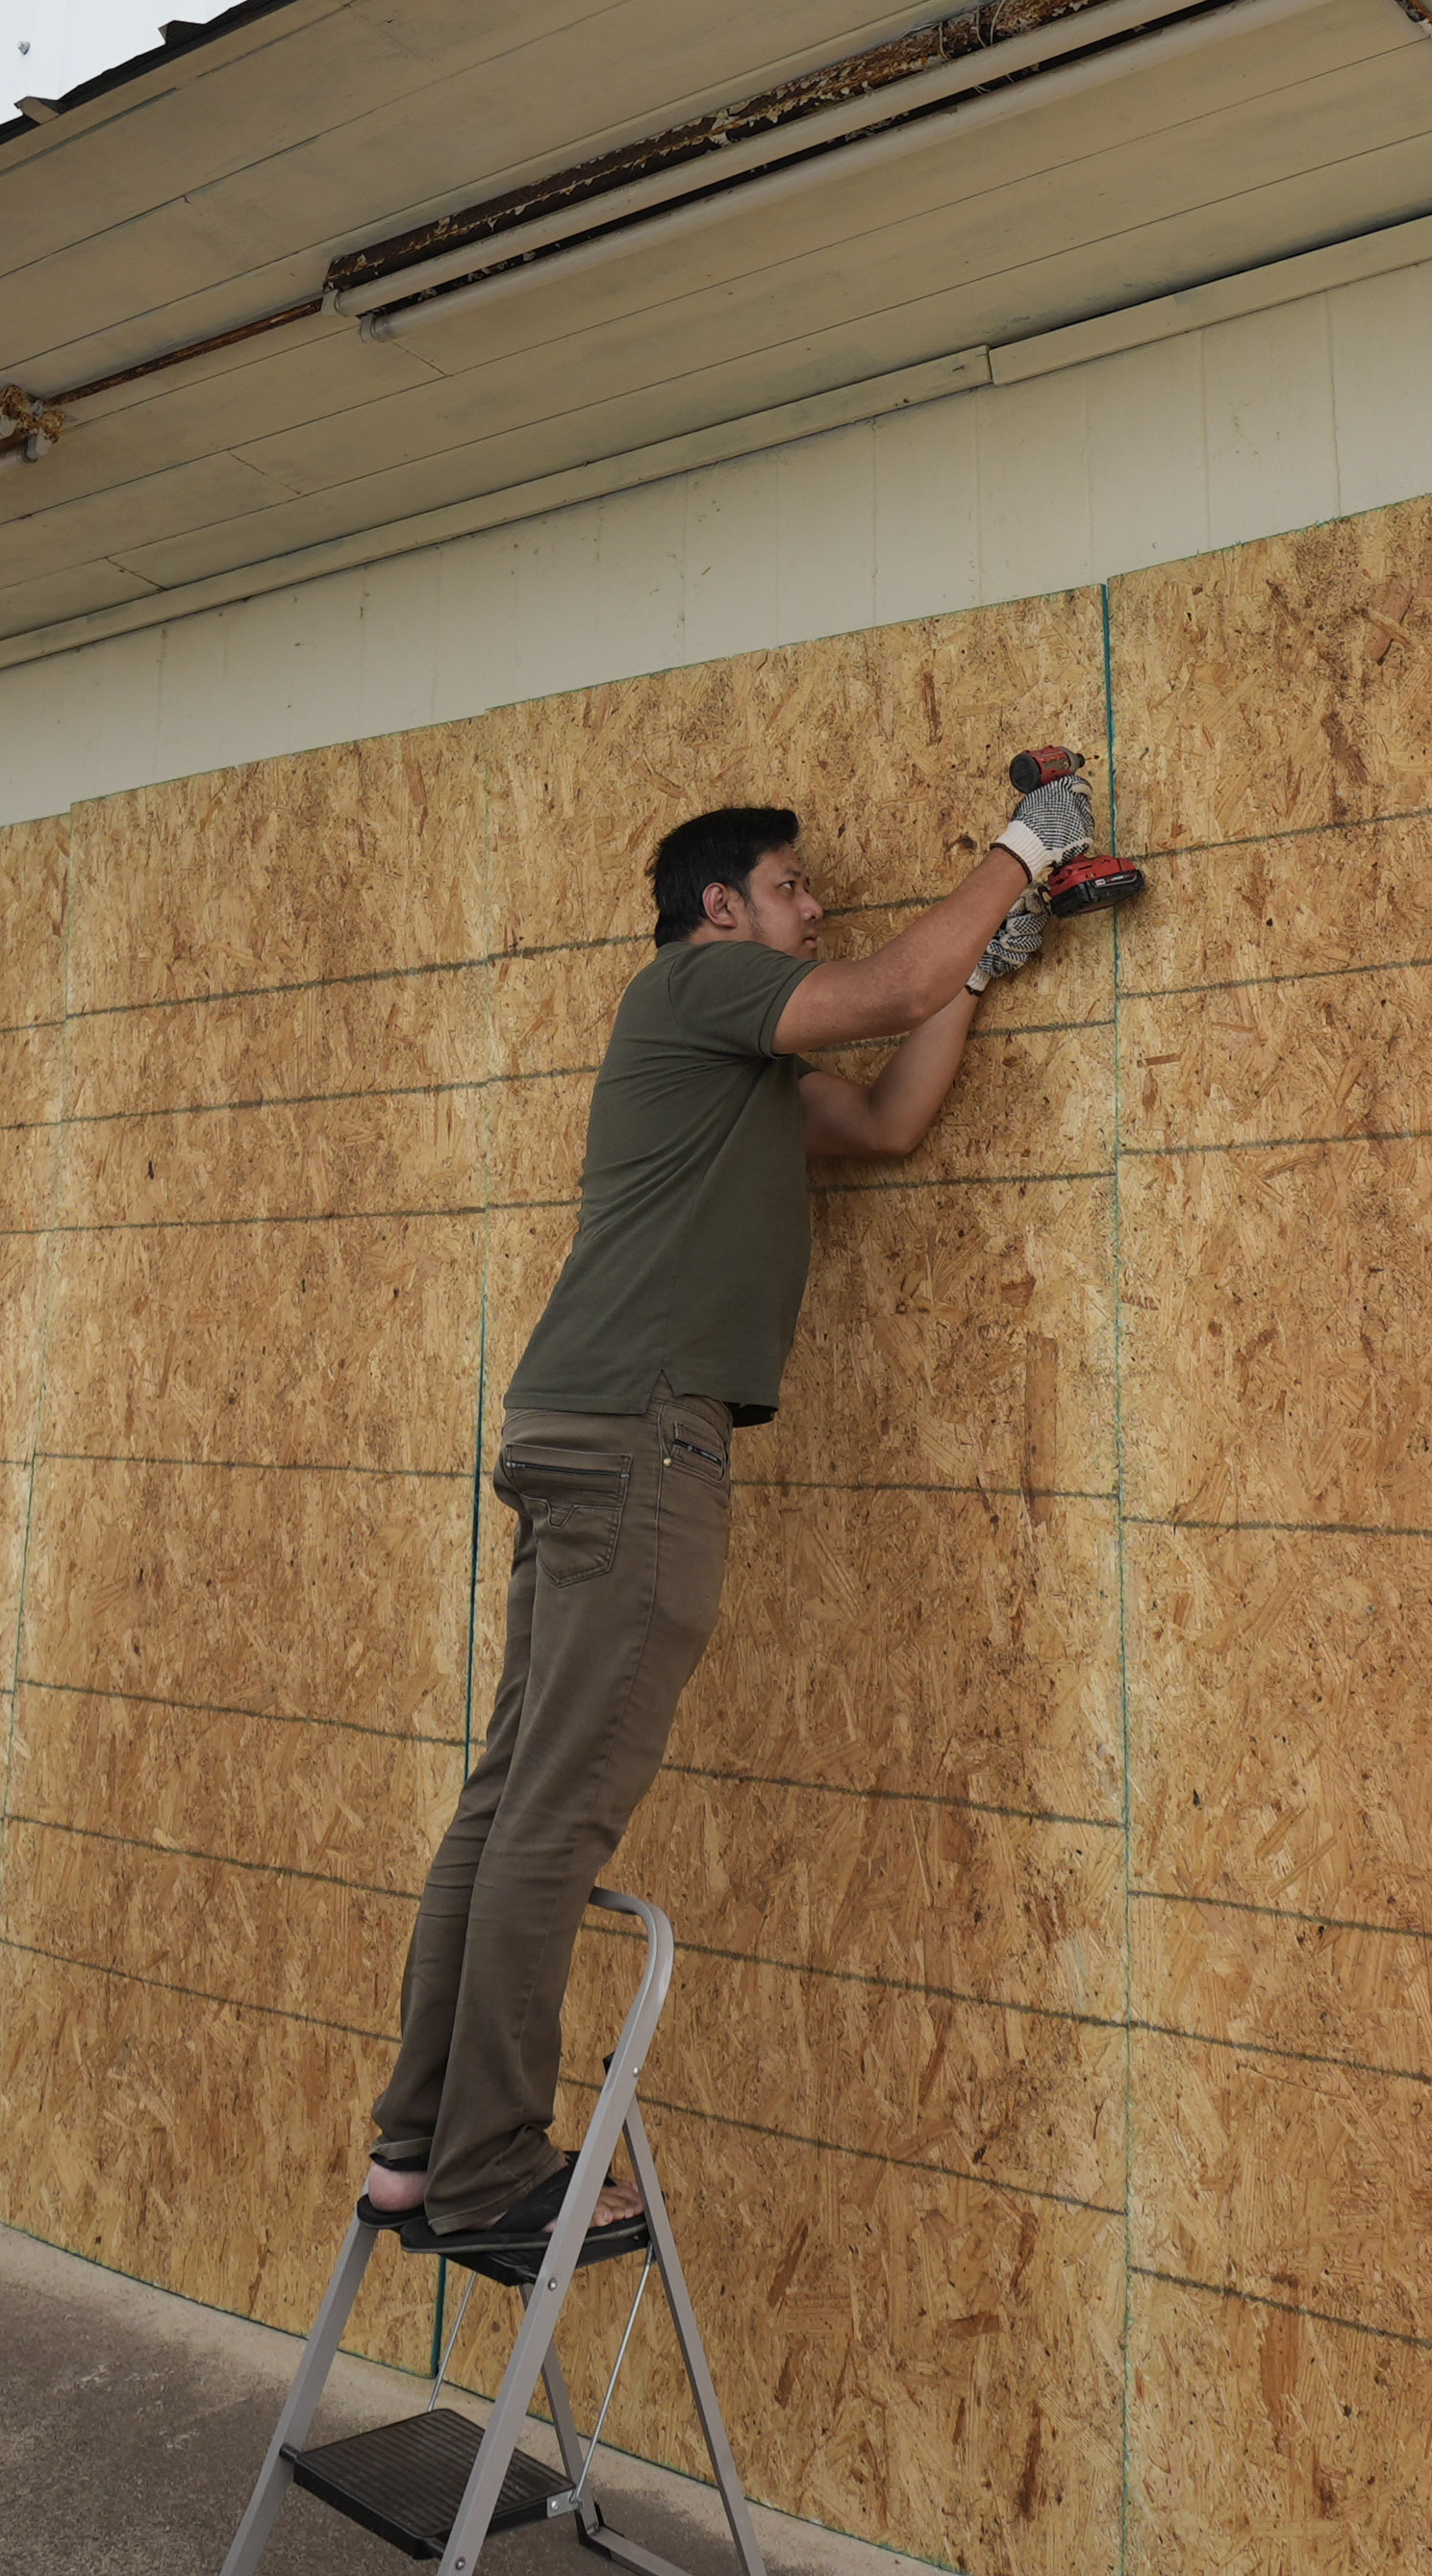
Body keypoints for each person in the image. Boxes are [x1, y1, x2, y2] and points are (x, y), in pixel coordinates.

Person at [360, 760, 1113, 2260]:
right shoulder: (694, 990)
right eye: (790, 888)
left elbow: (891, 1115)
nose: (812, 907)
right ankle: (491, 2165)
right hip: (641, 1441)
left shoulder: (736, 1072)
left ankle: (412, 2147)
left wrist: (984, 970)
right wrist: (1027, 847)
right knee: (553, 1818)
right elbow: (890, 980)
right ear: (720, 909)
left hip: (584, 1428)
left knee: (509, 1797)